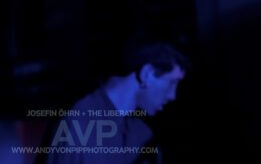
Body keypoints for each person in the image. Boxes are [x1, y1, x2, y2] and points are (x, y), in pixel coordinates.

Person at [41, 40, 188, 164]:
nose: (172, 96)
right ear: (147, 74)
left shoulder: (142, 130)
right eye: (172, 83)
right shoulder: (80, 127)